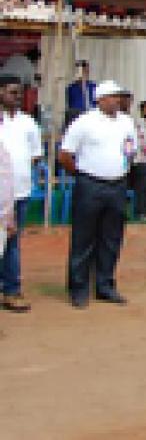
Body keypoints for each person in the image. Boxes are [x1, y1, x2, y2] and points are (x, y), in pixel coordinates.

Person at [58, 80, 137, 308]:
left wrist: (124, 165)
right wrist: (82, 175)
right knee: (84, 238)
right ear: (100, 99)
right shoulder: (84, 122)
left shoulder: (126, 122)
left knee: (112, 237)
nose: (117, 100)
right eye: (113, 96)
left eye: (119, 96)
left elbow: (130, 148)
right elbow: (65, 155)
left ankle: (105, 285)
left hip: (117, 184)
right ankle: (79, 288)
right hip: (90, 184)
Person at [0, 75, 41, 312]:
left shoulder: (28, 122)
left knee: (12, 242)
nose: (17, 97)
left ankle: (12, 290)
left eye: (19, 93)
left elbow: (35, 154)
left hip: (20, 193)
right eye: (12, 92)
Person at [65, 60, 98, 128]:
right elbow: (71, 105)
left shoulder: (93, 86)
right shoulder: (71, 88)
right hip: (76, 118)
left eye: (84, 70)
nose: (83, 73)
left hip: (91, 117)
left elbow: (95, 103)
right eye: (80, 71)